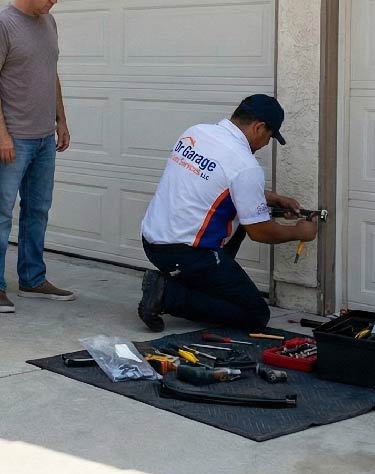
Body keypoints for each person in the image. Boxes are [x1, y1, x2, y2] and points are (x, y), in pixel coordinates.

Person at [137, 94, 319, 331]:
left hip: (152, 241)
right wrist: (299, 232)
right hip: (187, 254)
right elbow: (259, 232)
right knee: (255, 314)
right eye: (270, 136)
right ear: (259, 127)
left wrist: (273, 199)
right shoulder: (245, 165)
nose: (265, 143)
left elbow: (216, 182)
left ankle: (194, 283)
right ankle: (168, 295)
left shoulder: (196, 132)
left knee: (242, 220)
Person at [0, 0, 73, 313]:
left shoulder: (49, 23)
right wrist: (0, 134)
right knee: (0, 212)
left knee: (38, 210)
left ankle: (33, 279)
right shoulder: (0, 26)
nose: (54, 0)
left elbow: (51, 74)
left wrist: (61, 119)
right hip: (13, 137)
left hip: (43, 137)